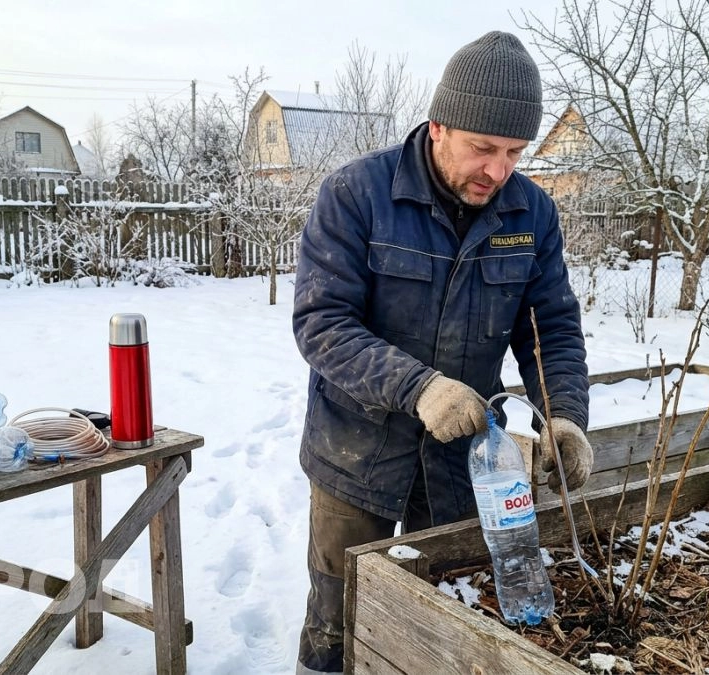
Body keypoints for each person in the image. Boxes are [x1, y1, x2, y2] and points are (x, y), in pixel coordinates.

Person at [291, 31, 593, 674]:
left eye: (515, 152)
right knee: (340, 613)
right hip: (357, 453)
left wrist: (561, 414)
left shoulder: (530, 213)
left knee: (443, 612)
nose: (499, 170)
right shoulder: (357, 195)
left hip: (463, 459)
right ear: (437, 127)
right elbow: (322, 324)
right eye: (483, 148)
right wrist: (419, 388)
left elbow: (551, 329)